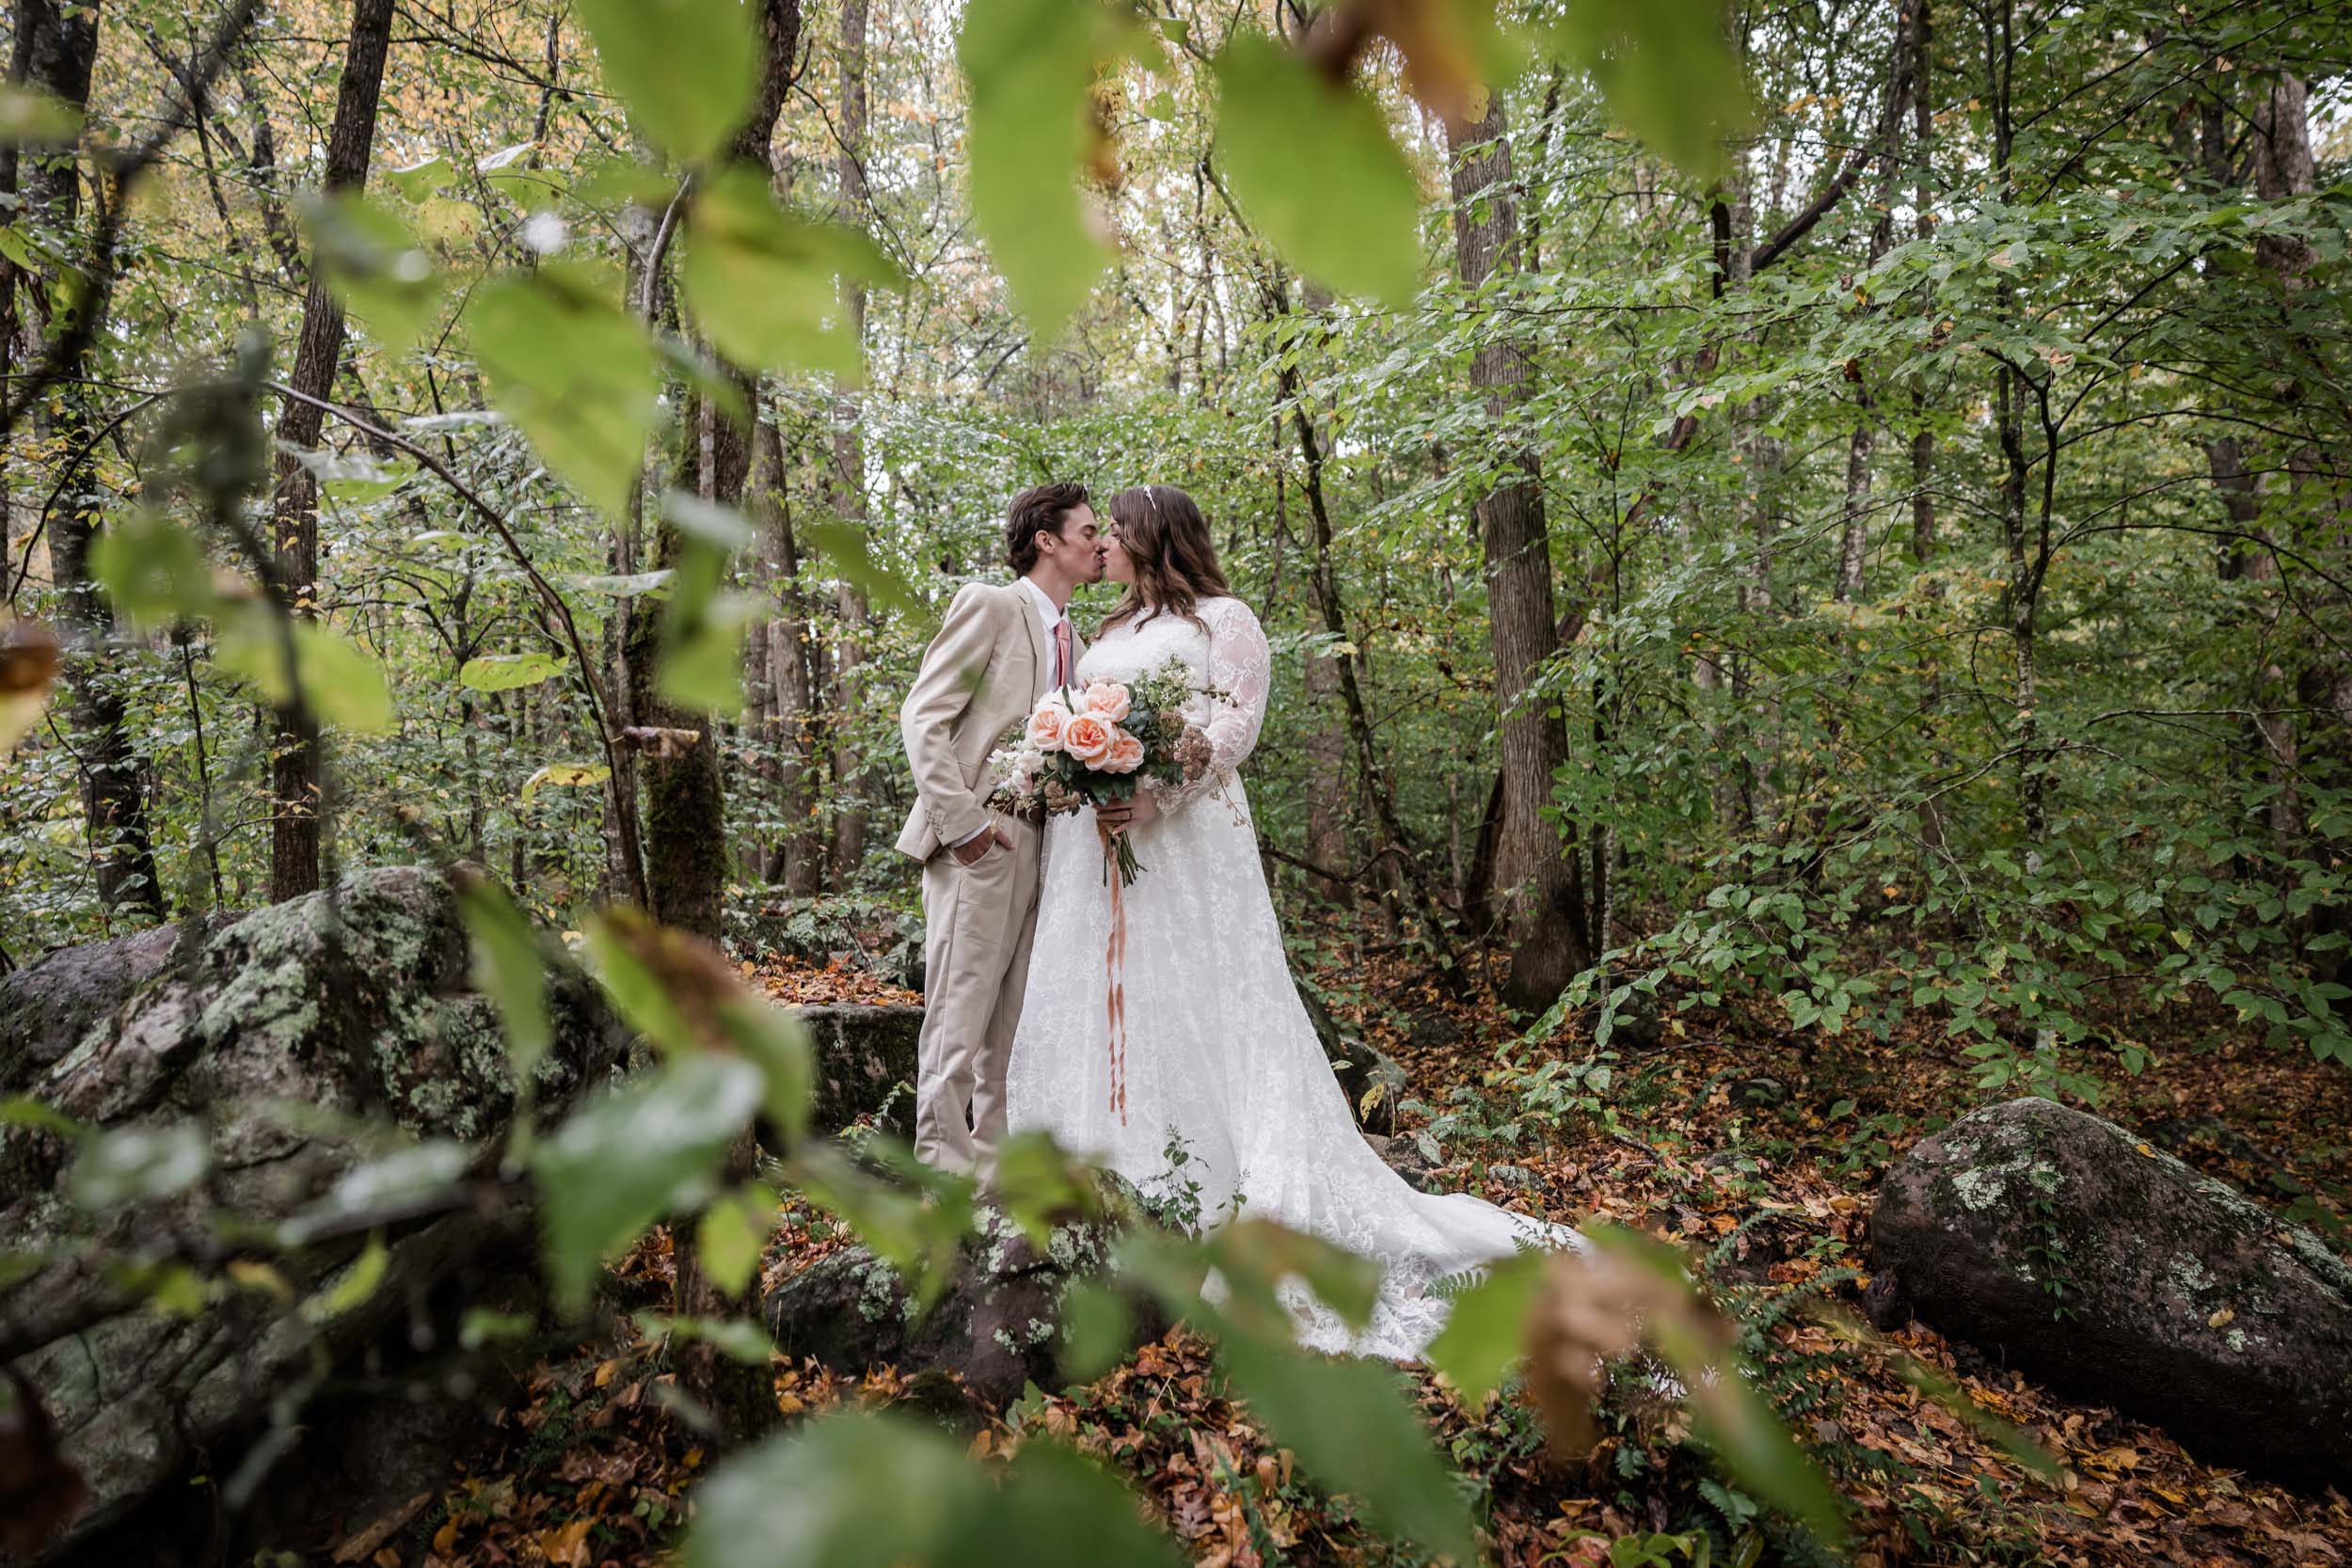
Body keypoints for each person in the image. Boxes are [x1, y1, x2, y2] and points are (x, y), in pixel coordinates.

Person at [1006, 483, 1583, 1359]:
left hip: (1190, 846)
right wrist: (1078, 774)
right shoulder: (1110, 633)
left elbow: (1235, 727)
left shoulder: (1224, 620)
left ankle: (1223, 1196)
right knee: (1115, 997)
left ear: (1156, 539)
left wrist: (1154, 795)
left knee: (1204, 1002)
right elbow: (1085, 723)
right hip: (1097, 856)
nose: (1105, 548)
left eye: (1116, 534)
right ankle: (1110, 1170)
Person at [898, 482, 1104, 1176]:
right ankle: (940, 1172)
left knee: (1011, 1025)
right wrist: (966, 829)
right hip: (978, 844)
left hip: (1048, 848)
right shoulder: (990, 606)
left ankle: (991, 1179)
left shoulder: (1076, 638)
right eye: (1087, 532)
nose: (1100, 544)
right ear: (1046, 540)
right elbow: (923, 717)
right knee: (959, 1015)